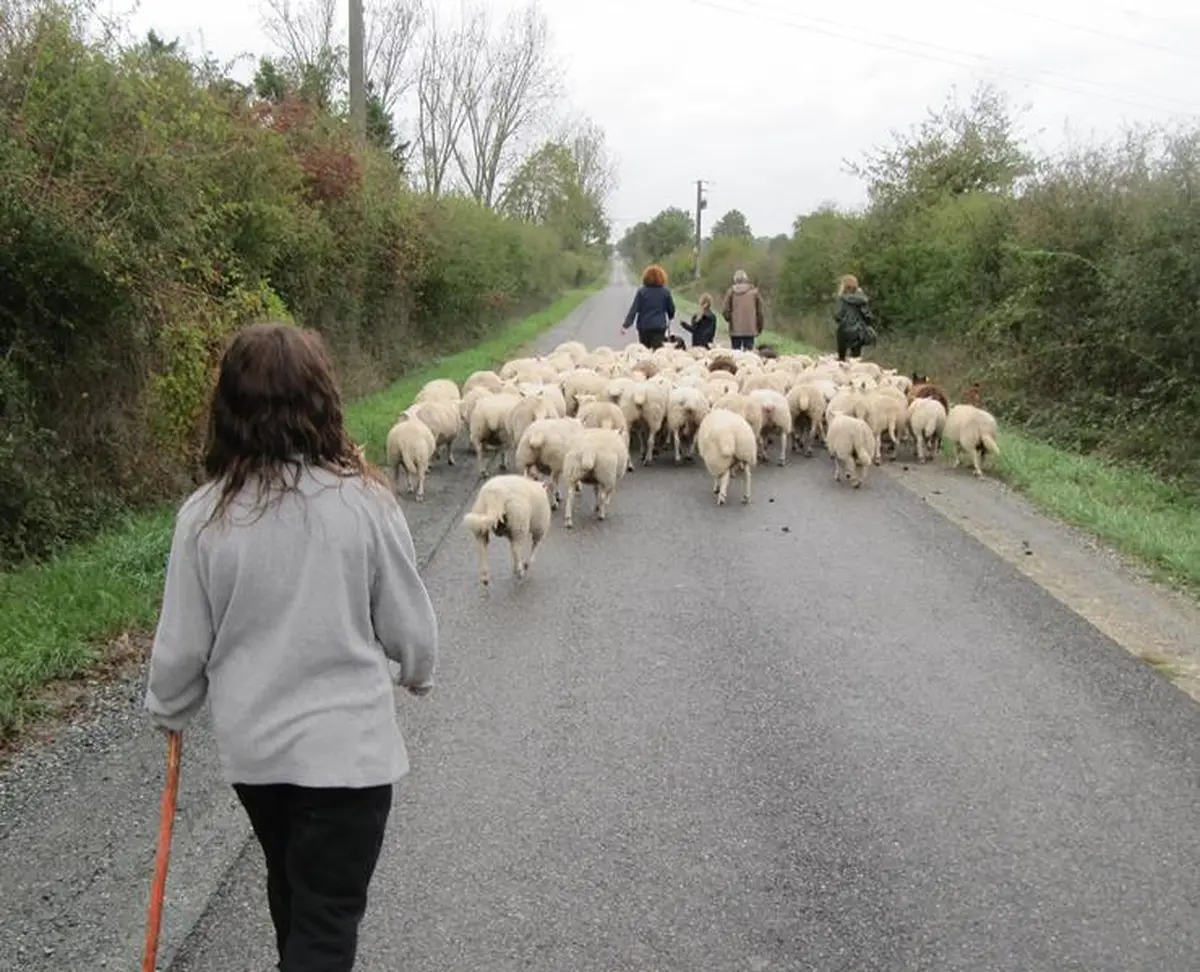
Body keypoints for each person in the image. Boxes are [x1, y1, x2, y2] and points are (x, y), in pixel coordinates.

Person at [144, 321, 438, 972]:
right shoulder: (362, 501)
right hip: (349, 759)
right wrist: (418, 669)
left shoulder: (205, 514)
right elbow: (408, 621)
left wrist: (169, 705)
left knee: (293, 891)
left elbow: (183, 641)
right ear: (322, 402)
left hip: (259, 759)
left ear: (229, 409)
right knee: (327, 919)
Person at [622, 263, 676, 349]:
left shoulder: (641, 292)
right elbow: (671, 309)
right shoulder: (665, 292)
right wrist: (670, 315)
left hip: (644, 327)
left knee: (644, 351)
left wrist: (626, 325)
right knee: (658, 352)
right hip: (659, 327)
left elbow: (634, 310)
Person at [834, 273, 876, 362]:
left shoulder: (842, 299)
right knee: (856, 359)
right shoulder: (863, 299)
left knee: (841, 360)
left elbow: (838, 315)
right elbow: (868, 316)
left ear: (844, 286)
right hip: (859, 332)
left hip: (844, 331)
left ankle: (841, 370)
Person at [721, 269, 765, 351]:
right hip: (750, 328)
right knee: (748, 354)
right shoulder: (754, 293)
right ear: (746, 280)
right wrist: (759, 327)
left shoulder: (731, 292)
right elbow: (760, 313)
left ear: (735, 280)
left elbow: (725, 311)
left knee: (735, 353)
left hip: (735, 330)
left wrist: (731, 319)